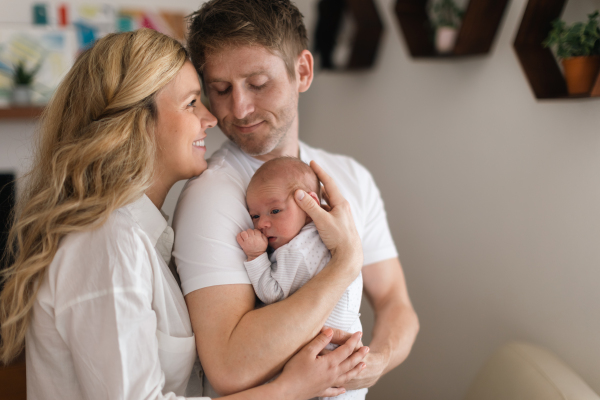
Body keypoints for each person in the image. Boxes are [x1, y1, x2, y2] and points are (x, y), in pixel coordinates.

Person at [0, 29, 369, 400]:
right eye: (192, 102)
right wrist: (291, 388)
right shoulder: (108, 243)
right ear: (137, 122)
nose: (211, 118)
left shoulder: (143, 238)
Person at [172, 0, 420, 397]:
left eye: (257, 83)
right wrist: (345, 262)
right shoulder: (212, 196)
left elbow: (395, 301)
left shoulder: (351, 177)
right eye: (220, 89)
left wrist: (377, 362)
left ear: (302, 71)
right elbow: (228, 367)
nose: (239, 108)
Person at [237, 157, 367, 400]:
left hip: (325, 366)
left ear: (310, 205)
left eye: (275, 211)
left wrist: (255, 256)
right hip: (344, 365)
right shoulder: (328, 235)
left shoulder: (296, 250)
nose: (263, 223)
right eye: (254, 216)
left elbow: (272, 292)